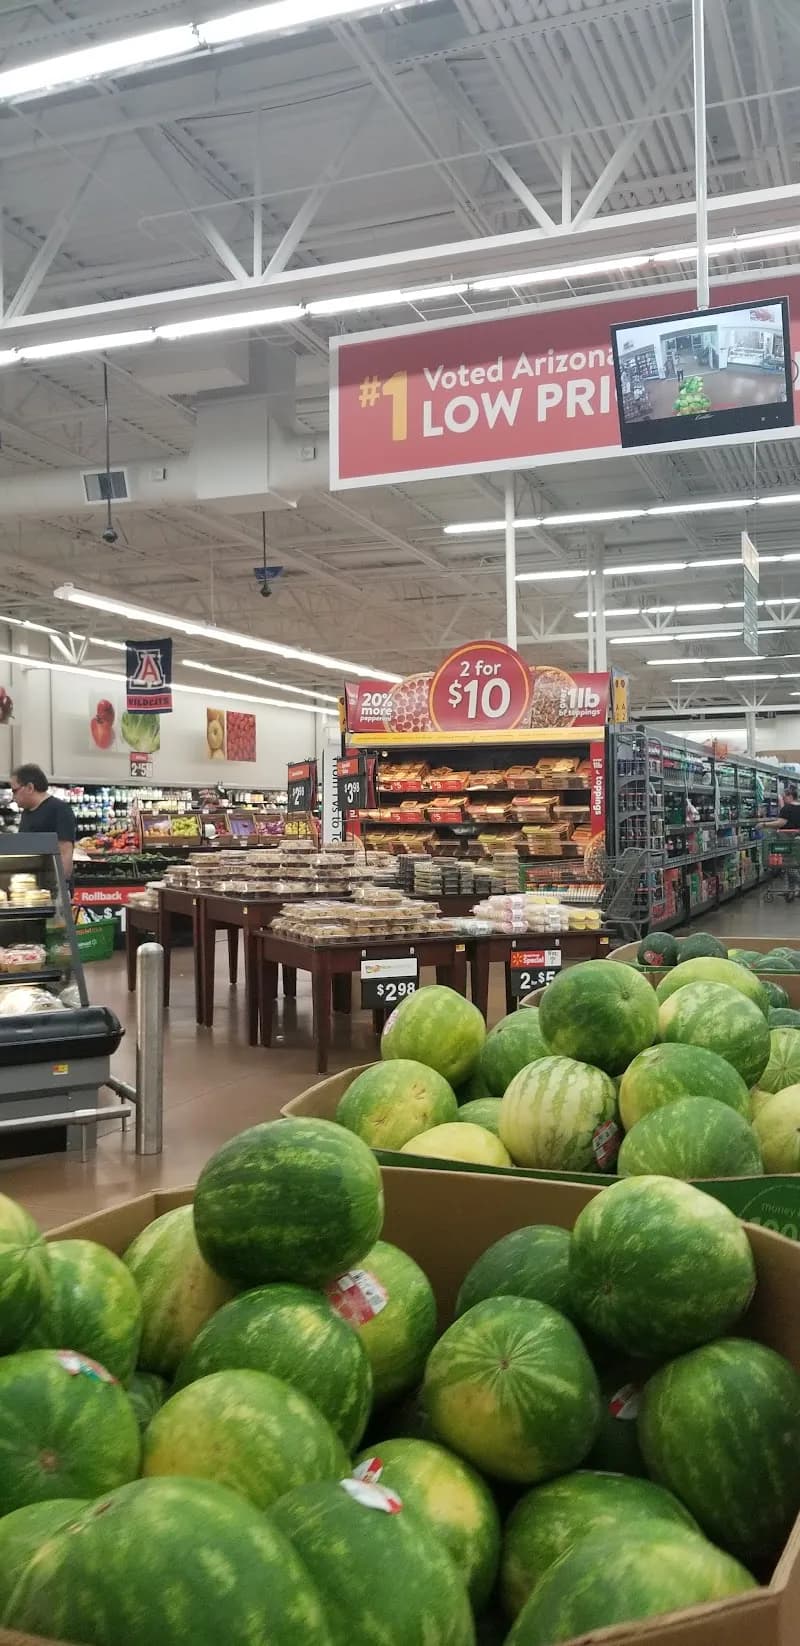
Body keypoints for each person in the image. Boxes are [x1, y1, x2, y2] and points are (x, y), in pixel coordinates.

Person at [10, 765, 76, 888]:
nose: (13, 797)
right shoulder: (26, 812)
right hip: (31, 886)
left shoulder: (59, 810)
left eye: (15, 791)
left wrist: (60, 889)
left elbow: (65, 852)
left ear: (30, 787)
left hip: (52, 887)